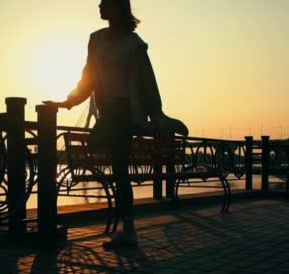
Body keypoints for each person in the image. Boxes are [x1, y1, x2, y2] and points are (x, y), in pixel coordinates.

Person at [43, 0, 188, 248]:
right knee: (112, 162)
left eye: (104, 2)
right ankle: (128, 230)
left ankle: (129, 232)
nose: (99, 5)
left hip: (124, 112)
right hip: (109, 114)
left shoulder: (134, 44)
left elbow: (147, 82)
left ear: (118, 6)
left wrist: (158, 114)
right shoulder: (96, 39)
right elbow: (87, 79)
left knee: (119, 170)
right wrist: (67, 102)